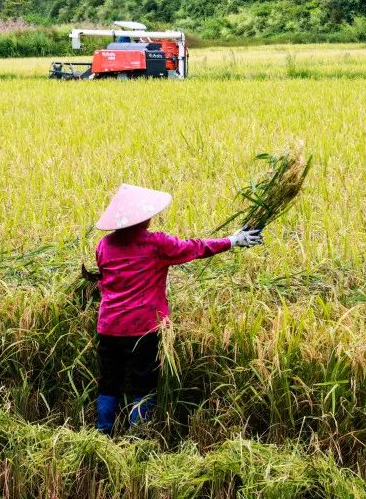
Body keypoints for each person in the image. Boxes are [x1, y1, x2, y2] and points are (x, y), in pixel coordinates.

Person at [92, 183, 263, 435]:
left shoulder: (104, 245)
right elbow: (195, 248)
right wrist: (232, 241)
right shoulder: (157, 244)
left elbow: (104, 277)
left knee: (109, 383)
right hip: (142, 329)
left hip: (108, 328)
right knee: (142, 384)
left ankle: (102, 433)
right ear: (141, 218)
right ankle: (138, 436)